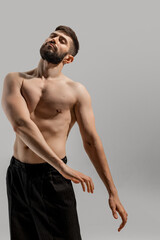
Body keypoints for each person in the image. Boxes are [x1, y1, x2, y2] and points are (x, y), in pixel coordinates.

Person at [1, 25, 128, 240]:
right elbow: (21, 124)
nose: (54, 40)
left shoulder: (76, 92)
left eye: (62, 41)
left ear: (68, 59)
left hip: (52, 178)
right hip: (18, 175)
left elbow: (91, 141)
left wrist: (112, 192)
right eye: (53, 36)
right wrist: (62, 166)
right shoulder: (15, 79)